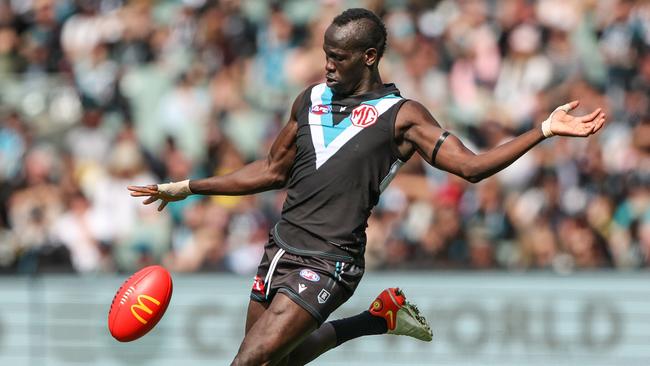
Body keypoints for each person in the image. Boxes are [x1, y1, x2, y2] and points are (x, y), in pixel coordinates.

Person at [128, 8, 606, 366]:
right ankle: (378, 319)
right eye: (325, 56)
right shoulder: (310, 99)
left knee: (245, 364)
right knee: (276, 363)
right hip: (280, 250)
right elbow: (272, 170)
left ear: (370, 56)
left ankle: (373, 317)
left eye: (339, 57)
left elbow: (472, 167)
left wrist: (543, 129)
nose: (329, 66)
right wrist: (189, 185)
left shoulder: (402, 117)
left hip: (330, 261)